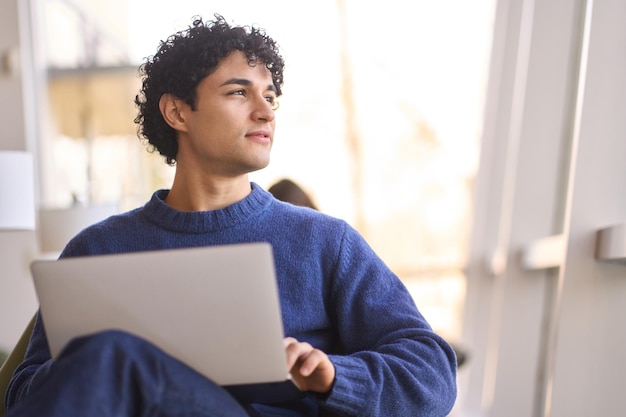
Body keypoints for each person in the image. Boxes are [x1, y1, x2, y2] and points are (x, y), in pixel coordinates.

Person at [5, 15, 457, 417]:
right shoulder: (96, 249)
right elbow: (22, 395)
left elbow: (432, 374)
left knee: (112, 356)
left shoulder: (324, 241)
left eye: (270, 97)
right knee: (113, 357)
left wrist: (334, 375)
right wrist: (107, 361)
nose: (265, 112)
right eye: (239, 92)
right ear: (177, 111)